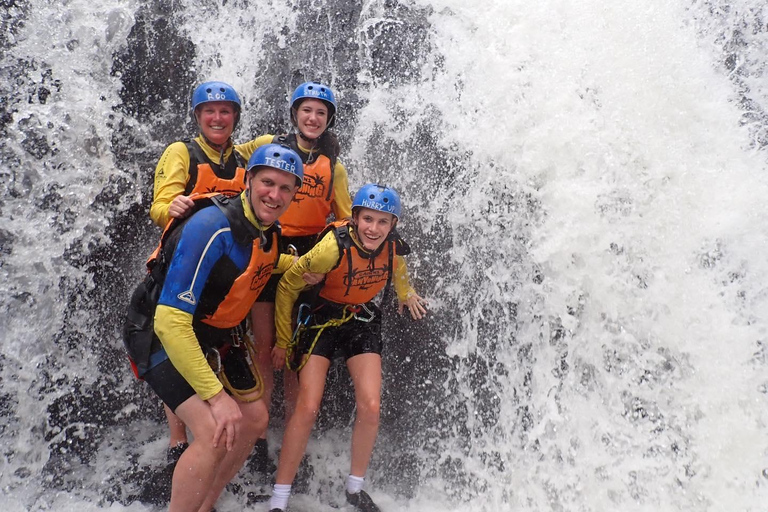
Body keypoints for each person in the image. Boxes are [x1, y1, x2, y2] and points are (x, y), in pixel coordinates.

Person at [124, 143, 304, 512]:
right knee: (213, 432)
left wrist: (302, 268)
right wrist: (217, 397)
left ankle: (205, 503)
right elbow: (171, 321)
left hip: (212, 333)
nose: (275, 194)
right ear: (248, 180)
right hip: (158, 332)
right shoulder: (211, 226)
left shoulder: (266, 228)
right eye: (268, 183)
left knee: (254, 419)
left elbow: (256, 261)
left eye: (286, 188)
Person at [267, 184, 427, 512]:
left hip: (360, 320)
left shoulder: (393, 248)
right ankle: (279, 499)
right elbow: (286, 287)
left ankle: (355, 489)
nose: (374, 228)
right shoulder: (329, 249)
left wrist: (406, 292)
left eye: (383, 222)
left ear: (393, 225)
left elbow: (397, 268)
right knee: (308, 407)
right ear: (354, 218)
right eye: (368, 219)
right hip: (320, 321)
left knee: (370, 406)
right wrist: (283, 341)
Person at [236, 81, 353, 473]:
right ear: (295, 114)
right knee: (267, 347)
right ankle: (257, 435)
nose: (313, 118)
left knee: (297, 354)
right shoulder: (269, 144)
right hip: (270, 245)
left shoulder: (333, 165)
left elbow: (344, 217)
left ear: (328, 120)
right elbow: (234, 162)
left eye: (321, 113)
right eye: (307, 110)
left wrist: (325, 259)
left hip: (308, 258)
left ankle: (291, 438)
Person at [149, 80, 249, 463]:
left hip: (222, 271)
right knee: (177, 353)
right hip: (182, 263)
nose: (218, 118)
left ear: (235, 118)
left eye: (225, 112)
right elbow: (160, 206)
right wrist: (168, 209)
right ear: (198, 116)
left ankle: (217, 431)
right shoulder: (181, 153)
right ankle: (178, 442)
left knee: (205, 348)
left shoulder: (241, 158)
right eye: (210, 111)